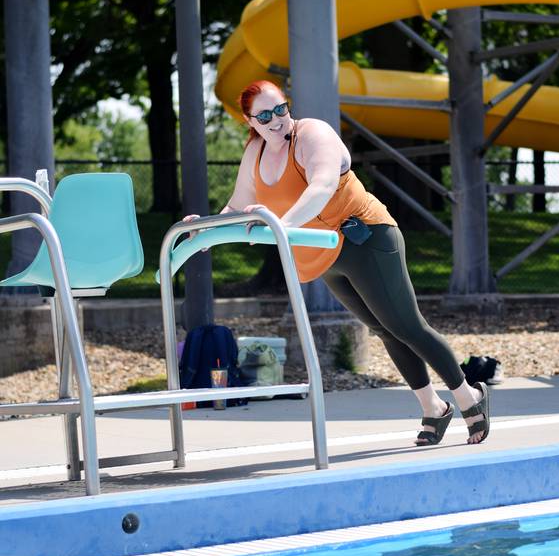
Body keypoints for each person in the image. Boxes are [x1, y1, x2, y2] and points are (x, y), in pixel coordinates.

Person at [185, 80, 489, 445]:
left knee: (407, 325)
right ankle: (433, 408)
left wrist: (282, 225)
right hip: (323, 255)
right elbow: (236, 207)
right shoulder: (256, 153)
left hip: (365, 239)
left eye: (281, 109)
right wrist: (205, 231)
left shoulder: (313, 134)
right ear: (250, 122)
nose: (277, 120)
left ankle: (470, 397)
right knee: (384, 330)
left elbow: (322, 185)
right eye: (264, 116)